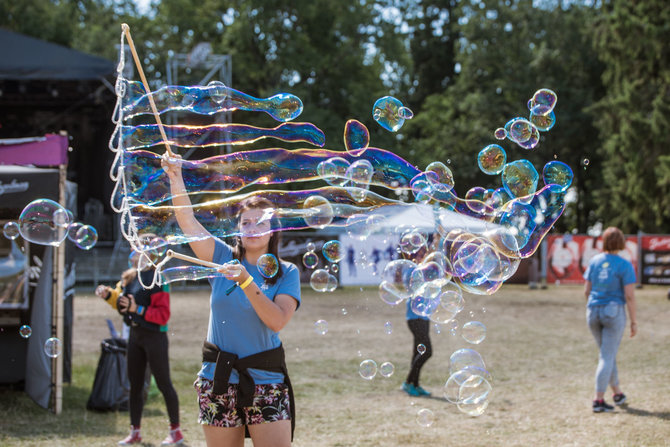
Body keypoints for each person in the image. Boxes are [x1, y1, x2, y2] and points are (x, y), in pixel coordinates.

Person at [162, 153, 301, 447]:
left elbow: (277, 320)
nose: (252, 228)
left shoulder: (287, 272)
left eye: (260, 223)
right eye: (246, 223)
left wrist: (246, 281)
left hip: (265, 380)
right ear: (238, 228)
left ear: (273, 229)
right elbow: (187, 220)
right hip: (218, 379)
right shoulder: (222, 259)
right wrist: (176, 178)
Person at [96, 261, 183, 445]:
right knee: (134, 385)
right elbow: (122, 305)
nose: (136, 252)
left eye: (141, 248)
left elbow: (163, 316)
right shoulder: (130, 277)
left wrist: (138, 309)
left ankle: (176, 432)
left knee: (163, 383)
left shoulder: (157, 279)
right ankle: (135, 432)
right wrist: (108, 295)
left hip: (155, 337)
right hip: (135, 336)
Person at [583, 226, 637, 413]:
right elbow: (629, 296)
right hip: (613, 312)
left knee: (607, 354)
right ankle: (598, 401)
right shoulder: (624, 264)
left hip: (593, 311)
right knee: (607, 356)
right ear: (621, 243)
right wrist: (634, 321)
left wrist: (594, 306)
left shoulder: (594, 261)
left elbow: (586, 291)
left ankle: (617, 393)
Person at [401, 236, 434, 397]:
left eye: (424, 253)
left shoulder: (426, 269)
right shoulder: (411, 270)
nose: (423, 255)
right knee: (426, 352)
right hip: (414, 317)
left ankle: (415, 384)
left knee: (418, 352)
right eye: (421, 253)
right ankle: (408, 383)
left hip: (424, 317)